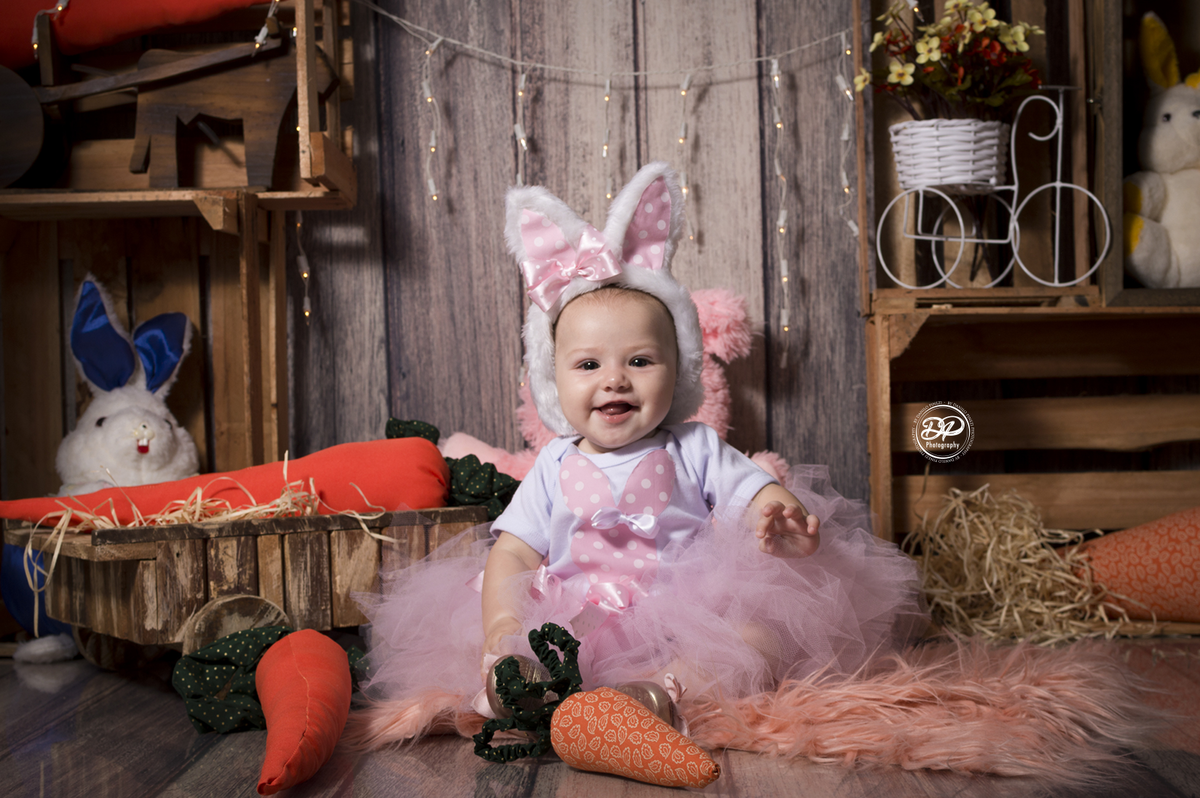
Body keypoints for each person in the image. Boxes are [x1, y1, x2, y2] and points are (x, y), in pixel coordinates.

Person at [350, 163, 926, 746]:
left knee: (759, 639)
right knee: (516, 644)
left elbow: (754, 490)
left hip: (683, 621)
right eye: (588, 364)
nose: (615, 379)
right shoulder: (555, 462)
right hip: (570, 624)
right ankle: (522, 684)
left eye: (640, 361)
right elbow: (515, 551)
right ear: (552, 381)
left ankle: (656, 695)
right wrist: (503, 623)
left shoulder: (695, 446)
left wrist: (780, 516)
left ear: (680, 370)